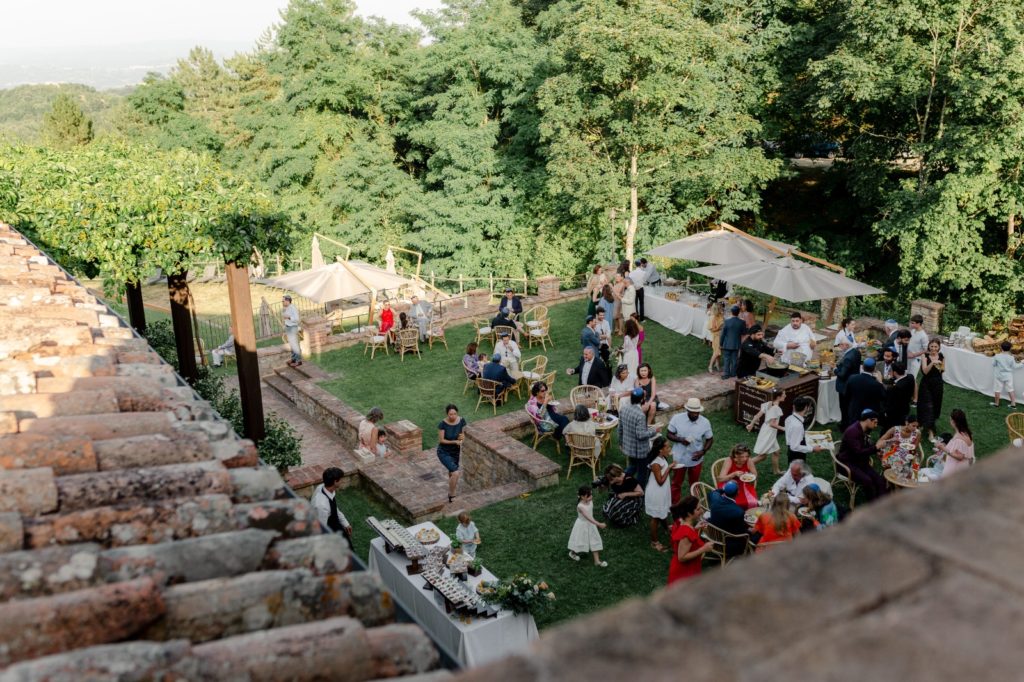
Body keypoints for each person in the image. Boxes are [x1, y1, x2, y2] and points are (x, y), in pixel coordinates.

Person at [667, 397, 714, 504]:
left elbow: (710, 439)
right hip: (679, 458)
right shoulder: (677, 418)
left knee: (694, 483)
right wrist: (680, 439)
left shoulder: (705, 422)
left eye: (697, 412)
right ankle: (675, 504)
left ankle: (693, 504)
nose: (696, 415)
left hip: (696, 458)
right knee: (676, 483)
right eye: (693, 412)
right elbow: (669, 434)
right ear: (687, 410)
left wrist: (703, 452)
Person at [837, 409, 887, 501]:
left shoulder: (865, 429)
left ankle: (882, 503)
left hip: (859, 461)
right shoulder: (853, 432)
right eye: (875, 422)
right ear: (868, 420)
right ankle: (873, 505)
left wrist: (877, 450)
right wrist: (876, 447)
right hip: (847, 463)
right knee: (867, 481)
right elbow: (858, 452)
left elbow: (866, 446)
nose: (876, 426)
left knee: (879, 480)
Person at [619, 388, 660, 489]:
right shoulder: (640, 415)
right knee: (642, 472)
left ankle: (620, 483)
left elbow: (620, 428)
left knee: (632, 467)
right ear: (642, 400)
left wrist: (621, 443)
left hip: (628, 446)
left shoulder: (623, 409)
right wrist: (655, 430)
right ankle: (640, 493)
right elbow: (641, 435)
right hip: (640, 450)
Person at [668, 495, 712, 584]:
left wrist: (695, 528)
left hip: (685, 569)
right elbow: (682, 557)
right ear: (689, 513)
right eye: (698, 509)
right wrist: (703, 549)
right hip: (685, 572)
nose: (702, 511)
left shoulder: (682, 523)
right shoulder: (686, 533)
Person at [707, 482, 751, 559]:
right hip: (728, 545)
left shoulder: (715, 499)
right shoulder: (738, 512)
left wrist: (724, 490)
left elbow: (714, 492)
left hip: (712, 536)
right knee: (756, 535)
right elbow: (742, 532)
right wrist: (750, 530)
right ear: (738, 493)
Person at [645, 436, 673, 552]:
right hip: (656, 492)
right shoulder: (656, 463)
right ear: (660, 450)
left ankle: (666, 527)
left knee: (662, 509)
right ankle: (654, 542)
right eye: (667, 447)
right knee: (655, 517)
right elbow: (660, 481)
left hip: (661, 491)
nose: (669, 448)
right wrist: (669, 469)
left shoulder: (662, 457)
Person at [748, 389, 787, 474]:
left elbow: (758, 415)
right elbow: (772, 424)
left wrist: (751, 424)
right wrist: (784, 429)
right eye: (784, 394)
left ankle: (776, 471)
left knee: (776, 452)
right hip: (769, 432)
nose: (785, 396)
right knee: (763, 456)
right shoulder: (776, 408)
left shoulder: (769, 403)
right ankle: (744, 466)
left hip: (765, 430)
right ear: (778, 397)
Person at [313, 467, 353, 548]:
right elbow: (321, 529)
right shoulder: (321, 506)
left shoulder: (323, 488)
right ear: (335, 481)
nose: (342, 481)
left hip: (336, 524)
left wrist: (345, 523)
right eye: (340, 479)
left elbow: (334, 508)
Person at [568, 486, 607, 567]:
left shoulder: (589, 500)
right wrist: (598, 524)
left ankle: (597, 561)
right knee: (579, 541)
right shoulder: (580, 506)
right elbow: (588, 518)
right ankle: (572, 552)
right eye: (589, 496)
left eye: (591, 494)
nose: (591, 497)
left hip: (591, 524)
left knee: (594, 539)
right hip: (582, 525)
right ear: (582, 497)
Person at [437, 404, 467, 503]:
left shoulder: (461, 421)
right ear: (447, 414)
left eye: (454, 414)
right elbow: (441, 440)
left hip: (455, 452)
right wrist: (454, 442)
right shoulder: (442, 424)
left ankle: (451, 494)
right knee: (456, 473)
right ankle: (451, 493)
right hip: (443, 452)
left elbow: (462, 435)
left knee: (451, 472)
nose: (452, 416)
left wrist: (462, 439)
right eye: (450, 414)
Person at [932, 409, 975, 477]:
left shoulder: (959, 438)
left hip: (955, 469)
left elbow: (960, 457)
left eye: (950, 419)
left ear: (953, 421)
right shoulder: (967, 433)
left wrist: (942, 448)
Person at [716, 444, 759, 509]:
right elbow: (720, 479)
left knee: (752, 501)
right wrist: (733, 474)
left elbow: (755, 475)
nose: (745, 459)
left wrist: (749, 476)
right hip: (728, 484)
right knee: (730, 502)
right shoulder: (729, 460)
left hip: (744, 484)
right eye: (742, 457)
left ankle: (745, 515)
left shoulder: (749, 461)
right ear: (736, 455)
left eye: (747, 456)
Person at [917, 339, 945, 439]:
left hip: (937, 384)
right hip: (926, 384)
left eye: (935, 347)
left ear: (939, 348)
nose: (933, 348)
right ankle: (930, 431)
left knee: (935, 406)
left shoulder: (941, 356)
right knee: (927, 406)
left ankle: (927, 425)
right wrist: (932, 363)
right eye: (931, 346)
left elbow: (943, 370)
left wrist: (940, 366)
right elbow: (925, 372)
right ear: (929, 347)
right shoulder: (924, 356)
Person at [846, 358, 886, 427]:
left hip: (854, 410)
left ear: (863, 367)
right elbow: (884, 396)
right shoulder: (876, 384)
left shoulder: (852, 378)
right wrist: (880, 382)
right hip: (868, 413)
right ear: (874, 368)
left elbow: (846, 394)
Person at [834, 337, 863, 427]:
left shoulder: (848, 358)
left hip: (845, 386)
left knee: (844, 407)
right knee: (850, 406)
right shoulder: (856, 352)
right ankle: (848, 422)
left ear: (846, 345)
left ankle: (845, 425)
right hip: (853, 382)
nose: (839, 346)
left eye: (841, 344)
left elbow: (842, 375)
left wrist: (835, 369)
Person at [784, 396, 821, 463]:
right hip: (796, 455)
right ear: (806, 408)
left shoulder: (788, 418)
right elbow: (794, 447)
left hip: (791, 452)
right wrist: (812, 449)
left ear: (793, 407)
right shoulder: (798, 426)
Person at [883, 362, 915, 431]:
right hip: (905, 409)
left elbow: (890, 402)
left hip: (895, 414)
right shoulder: (910, 377)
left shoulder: (896, 388)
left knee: (888, 430)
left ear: (894, 372)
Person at [992, 340, 1023, 408]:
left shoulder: (997, 356)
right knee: (1010, 389)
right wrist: (1022, 363)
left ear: (1001, 348)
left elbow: (993, 364)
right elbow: (1015, 366)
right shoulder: (1011, 357)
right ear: (1010, 348)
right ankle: (1013, 404)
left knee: (997, 389)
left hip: (999, 375)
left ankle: (996, 404)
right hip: (1008, 376)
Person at [907, 314, 929, 402]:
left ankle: (916, 399)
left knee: (913, 379)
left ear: (919, 324)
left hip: (915, 359)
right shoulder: (913, 331)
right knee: (907, 377)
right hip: (908, 358)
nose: (911, 324)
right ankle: (909, 395)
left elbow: (926, 349)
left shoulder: (923, 336)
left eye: (913, 323)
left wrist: (914, 355)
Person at [720, 305, 745, 379]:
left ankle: (726, 374)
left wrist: (721, 343)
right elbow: (744, 333)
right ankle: (733, 373)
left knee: (726, 359)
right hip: (736, 343)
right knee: (734, 359)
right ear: (738, 312)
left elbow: (723, 334)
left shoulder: (727, 321)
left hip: (727, 343)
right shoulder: (742, 322)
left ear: (731, 312)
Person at [281, 294, 302, 367]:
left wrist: (289, 317)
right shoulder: (286, 308)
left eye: (283, 301)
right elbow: (285, 317)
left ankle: (298, 361)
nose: (282, 302)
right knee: (292, 344)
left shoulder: (293, 308)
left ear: (287, 301)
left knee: (295, 344)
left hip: (293, 327)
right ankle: (293, 359)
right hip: (288, 327)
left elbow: (297, 319)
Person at [707, 302, 724, 374]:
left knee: (718, 352)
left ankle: (717, 364)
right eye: (720, 308)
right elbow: (712, 329)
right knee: (716, 352)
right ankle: (710, 366)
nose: (722, 309)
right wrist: (720, 327)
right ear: (717, 309)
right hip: (717, 336)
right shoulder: (713, 318)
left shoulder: (720, 315)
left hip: (721, 335)